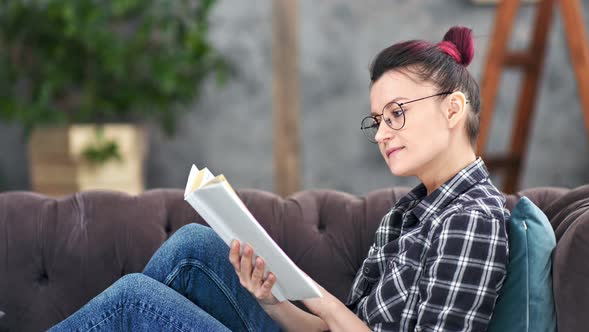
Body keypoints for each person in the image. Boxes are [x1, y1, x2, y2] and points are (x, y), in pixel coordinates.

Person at [49, 26, 509, 332]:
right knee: (194, 245)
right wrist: (270, 299)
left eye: (397, 114)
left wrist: (321, 299)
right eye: (377, 120)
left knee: (135, 300)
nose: (384, 133)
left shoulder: (469, 219)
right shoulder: (409, 211)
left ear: (453, 109)